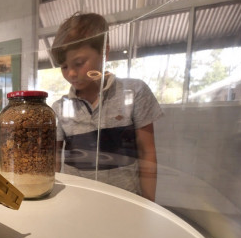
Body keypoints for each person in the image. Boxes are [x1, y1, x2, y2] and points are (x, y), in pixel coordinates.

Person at [51, 13, 163, 202]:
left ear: (104, 52)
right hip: (75, 202)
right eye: (63, 66)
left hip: (125, 201)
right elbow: (54, 159)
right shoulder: (59, 108)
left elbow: (147, 152)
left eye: (79, 63)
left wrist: (149, 203)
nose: (71, 73)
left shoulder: (135, 92)